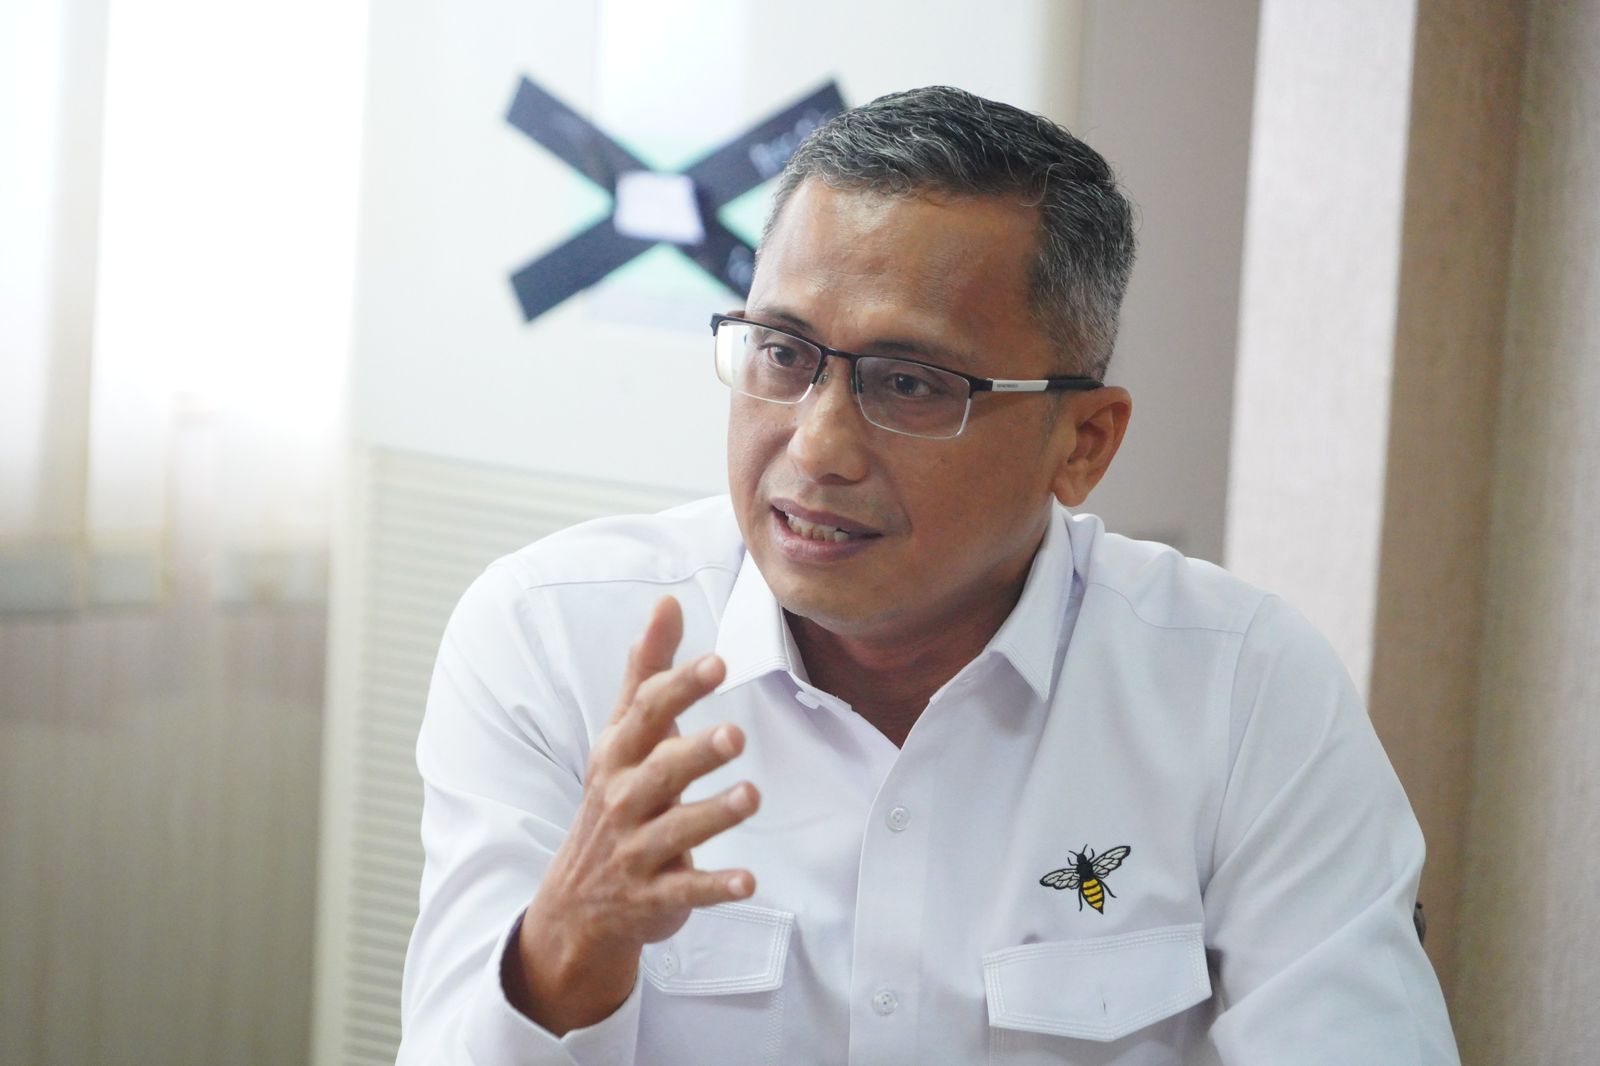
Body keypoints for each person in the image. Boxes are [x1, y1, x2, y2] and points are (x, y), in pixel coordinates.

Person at [397, 86, 1459, 1065]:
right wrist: (558, 951)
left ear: (1082, 442)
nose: (817, 446)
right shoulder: (556, 642)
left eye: (909, 383)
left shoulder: (1243, 691)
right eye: (783, 353)